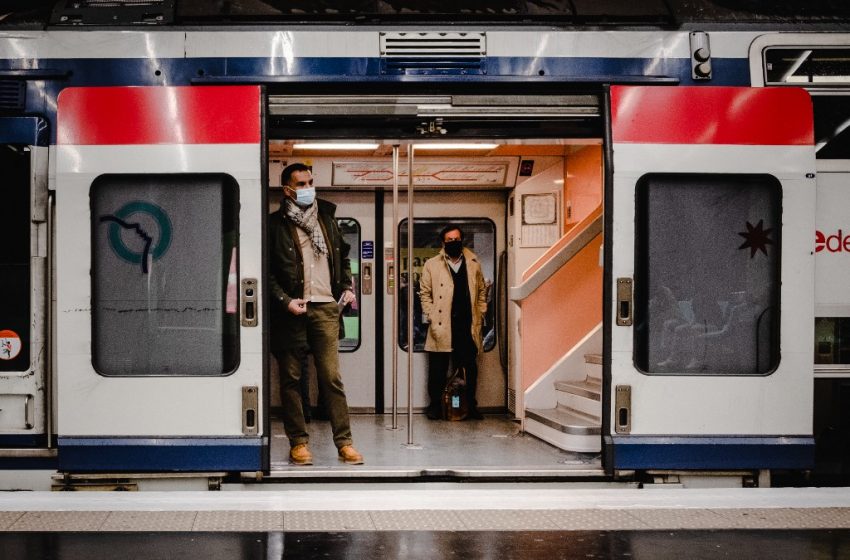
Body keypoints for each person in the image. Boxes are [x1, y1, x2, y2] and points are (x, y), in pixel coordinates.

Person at [268, 163, 363, 465]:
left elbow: (343, 258)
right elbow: (267, 272)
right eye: (301, 183)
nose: (309, 188)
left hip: (324, 306)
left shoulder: (327, 219)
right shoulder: (275, 225)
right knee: (292, 379)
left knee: (331, 378)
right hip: (293, 308)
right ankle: (298, 442)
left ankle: (344, 442)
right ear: (287, 190)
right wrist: (284, 300)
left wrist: (347, 286)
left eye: (311, 181)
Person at [419, 225, 488, 420]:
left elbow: (481, 289)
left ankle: (470, 406)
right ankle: (435, 406)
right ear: (443, 243)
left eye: (456, 239)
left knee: (468, 368)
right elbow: (424, 293)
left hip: (466, 324)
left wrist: (481, 310)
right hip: (442, 324)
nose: (453, 243)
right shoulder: (432, 264)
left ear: (462, 240)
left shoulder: (473, 262)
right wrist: (431, 314)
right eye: (449, 240)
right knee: (437, 370)